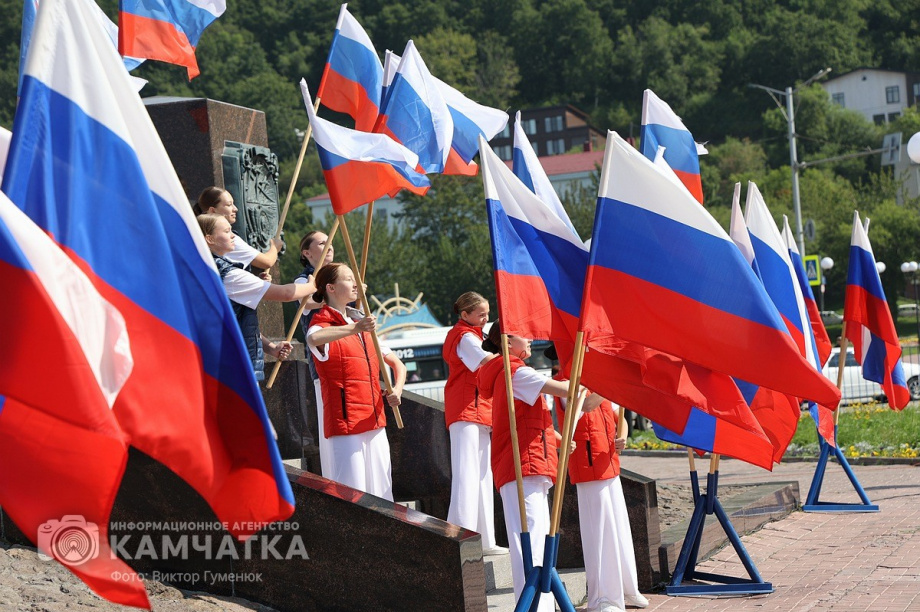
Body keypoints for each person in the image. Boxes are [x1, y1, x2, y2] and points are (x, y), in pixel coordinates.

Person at [477, 321, 603, 612]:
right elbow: (565, 391)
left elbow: (531, 420)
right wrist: (599, 381)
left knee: (535, 541)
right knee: (532, 543)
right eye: (524, 334)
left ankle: (540, 605)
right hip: (524, 465)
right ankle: (537, 606)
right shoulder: (516, 372)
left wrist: (557, 439)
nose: (531, 338)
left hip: (530, 462)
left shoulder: (512, 372)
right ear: (508, 342)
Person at [551, 354, 648, 612]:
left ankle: (629, 589)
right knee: (600, 533)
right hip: (588, 467)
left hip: (608, 464)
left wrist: (623, 437)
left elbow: (621, 419)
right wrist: (613, 384)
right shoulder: (564, 384)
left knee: (619, 529)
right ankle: (603, 597)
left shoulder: (598, 386)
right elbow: (584, 406)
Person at [306, 263, 407, 500]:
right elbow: (314, 338)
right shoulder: (322, 321)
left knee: (383, 491)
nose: (355, 284)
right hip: (346, 422)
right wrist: (355, 327)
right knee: (352, 493)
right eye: (349, 279)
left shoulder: (362, 323)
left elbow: (397, 364)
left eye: (355, 279)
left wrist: (397, 390)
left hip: (374, 417)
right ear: (330, 287)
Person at [198, 214, 313, 381]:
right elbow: (286, 294)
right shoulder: (229, 275)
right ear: (210, 239)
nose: (233, 236)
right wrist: (312, 286)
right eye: (227, 231)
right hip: (234, 366)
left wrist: (271, 348)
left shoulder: (206, 268)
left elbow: (238, 324)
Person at [442, 292, 504, 555]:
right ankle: (460, 537)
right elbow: (485, 362)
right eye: (481, 314)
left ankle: (484, 540)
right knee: (468, 474)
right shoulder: (465, 336)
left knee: (480, 474)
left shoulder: (472, 335)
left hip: (477, 411)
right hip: (466, 409)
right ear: (464, 315)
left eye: (487, 313)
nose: (486, 318)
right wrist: (509, 357)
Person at [295, 230, 336, 478]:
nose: (329, 245)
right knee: (328, 419)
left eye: (330, 241)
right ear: (307, 253)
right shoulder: (303, 280)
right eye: (322, 242)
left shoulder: (342, 275)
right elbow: (306, 301)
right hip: (324, 361)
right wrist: (333, 295)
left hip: (351, 358)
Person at [195, 186, 283, 274]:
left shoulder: (196, 235)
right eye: (229, 205)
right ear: (212, 211)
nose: (235, 209)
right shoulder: (227, 239)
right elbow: (267, 262)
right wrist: (275, 247)